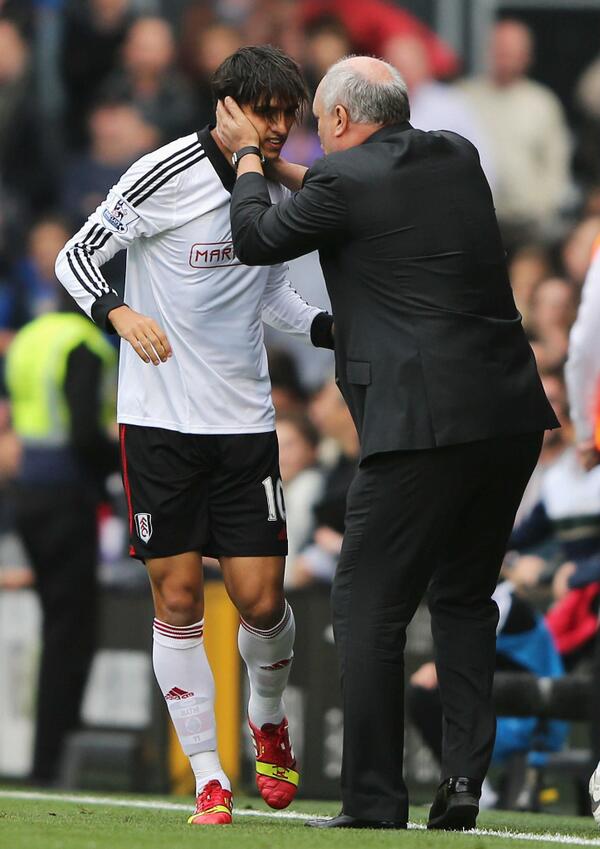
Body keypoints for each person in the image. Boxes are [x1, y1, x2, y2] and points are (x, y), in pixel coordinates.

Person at [216, 54, 558, 831]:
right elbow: (350, 190)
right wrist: (285, 166)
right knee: (464, 598)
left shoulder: (344, 181)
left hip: (420, 424)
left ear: (339, 119)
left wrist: (246, 160)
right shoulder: (453, 154)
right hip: (507, 415)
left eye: (317, 123)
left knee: (367, 603)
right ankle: (463, 778)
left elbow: (256, 237)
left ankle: (373, 798)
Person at [55, 45, 334, 826]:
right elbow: (76, 257)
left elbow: (271, 293)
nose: (278, 128)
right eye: (266, 113)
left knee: (262, 600)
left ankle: (267, 716)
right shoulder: (163, 172)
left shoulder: (272, 186)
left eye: (288, 116)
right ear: (228, 108)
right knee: (178, 598)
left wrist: (329, 329)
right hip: (159, 424)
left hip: (243, 424)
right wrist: (119, 311)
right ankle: (210, 775)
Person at [4, 289, 119, 784]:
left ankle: (46, 756)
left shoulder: (31, 336)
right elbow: (84, 435)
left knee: (56, 626)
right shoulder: (82, 344)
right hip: (67, 496)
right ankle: (51, 760)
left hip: (27, 492)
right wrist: (126, 462)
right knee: (71, 631)